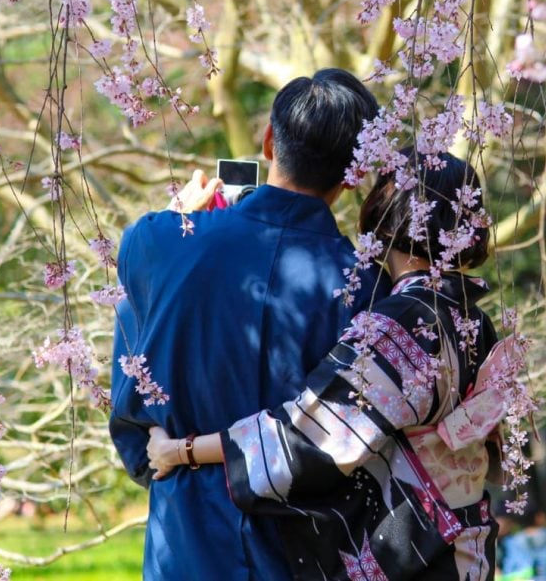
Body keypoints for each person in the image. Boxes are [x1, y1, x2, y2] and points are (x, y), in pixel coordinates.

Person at [148, 149, 508, 580]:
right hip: (463, 540)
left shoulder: (406, 320)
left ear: (387, 208)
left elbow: (313, 437)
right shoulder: (470, 317)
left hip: (423, 550)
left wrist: (181, 450)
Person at [109, 69, 385, 581]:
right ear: (354, 174)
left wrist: (178, 221)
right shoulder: (365, 283)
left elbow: (133, 379)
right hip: (308, 542)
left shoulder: (159, 243)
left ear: (267, 143)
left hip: (187, 533)